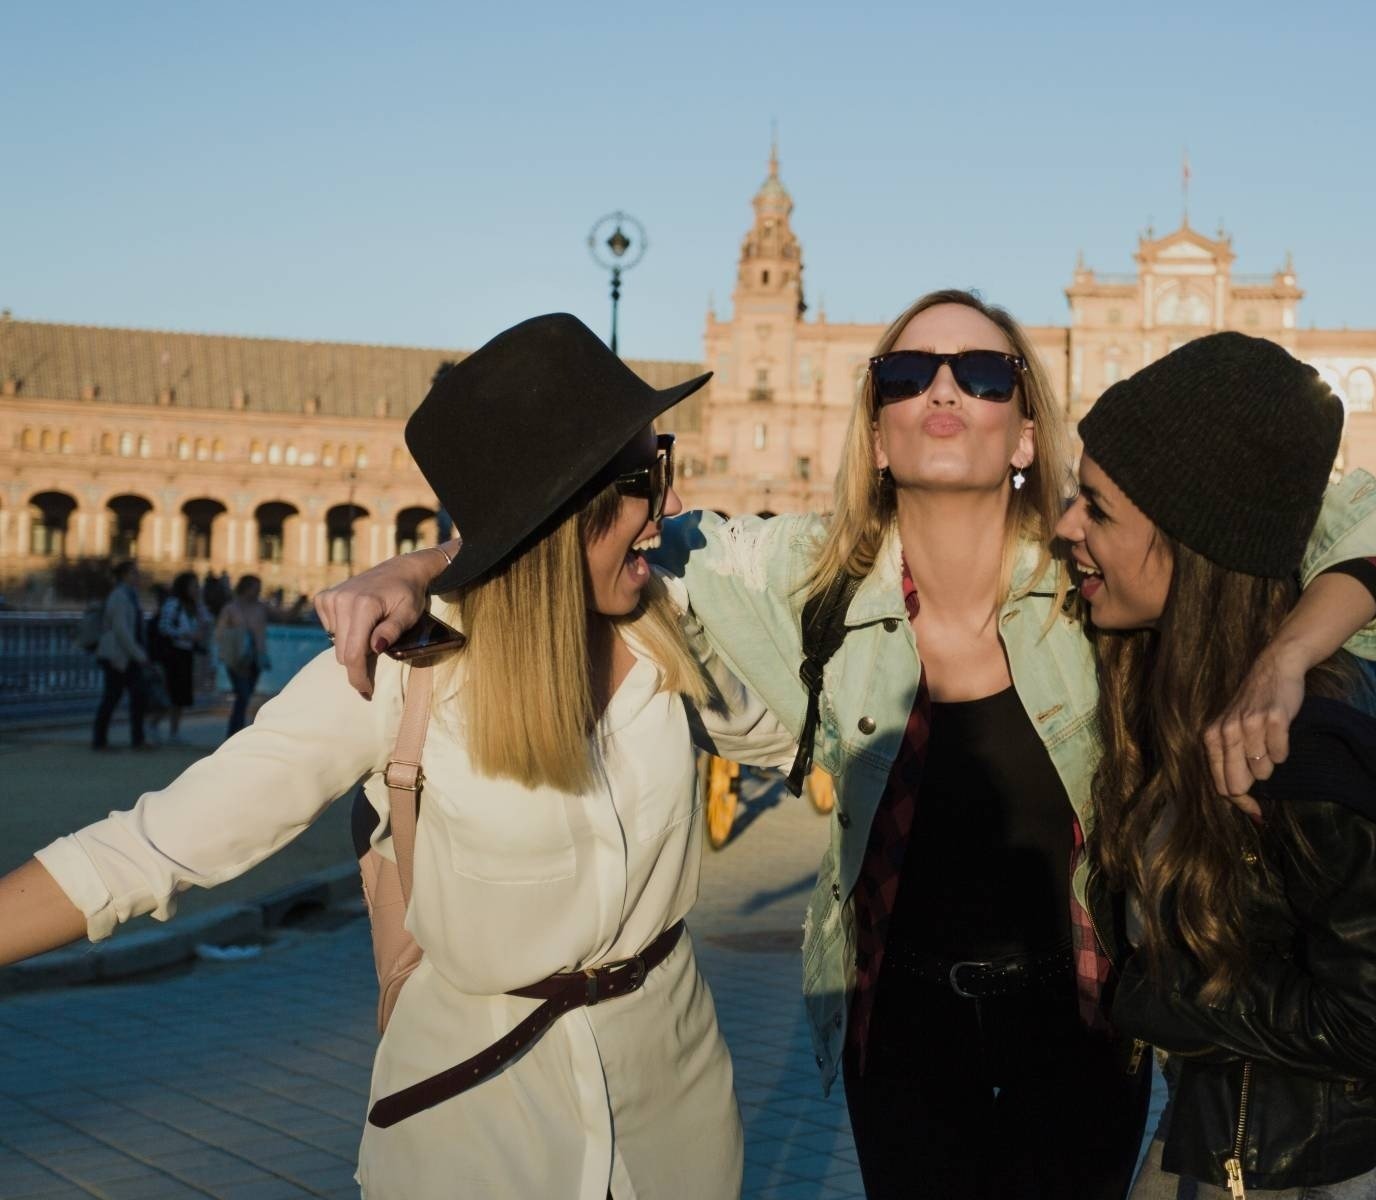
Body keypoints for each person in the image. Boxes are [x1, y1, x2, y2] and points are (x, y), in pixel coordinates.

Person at [318, 290, 1376, 1200]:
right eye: (907, 376)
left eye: (982, 373)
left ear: (1027, 427)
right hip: (897, 1029)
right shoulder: (799, 574)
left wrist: (1289, 653)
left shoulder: (1096, 570)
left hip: (1092, 1023)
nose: (943, 389)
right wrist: (427, 566)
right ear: (876, 424)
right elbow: (565, 520)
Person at [0, 314, 795, 1199]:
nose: (674, 502)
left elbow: (805, 724)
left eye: (666, 461)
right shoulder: (398, 669)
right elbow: (154, 847)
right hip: (474, 1114)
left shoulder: (669, 630)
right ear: (567, 505)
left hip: (676, 1109)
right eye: (651, 477)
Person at [1056, 332, 1376, 1200]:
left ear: (1193, 543)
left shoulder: (1298, 742)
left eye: (1095, 508)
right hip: (1224, 1144)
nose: (1066, 526)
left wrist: (1157, 1000)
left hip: (1314, 1174)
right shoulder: (1169, 674)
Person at [90, 560, 152, 752]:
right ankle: (101, 740)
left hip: (127, 656)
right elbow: (121, 629)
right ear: (125, 575)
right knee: (113, 697)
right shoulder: (119, 596)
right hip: (118, 656)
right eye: (134, 573)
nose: (138, 577)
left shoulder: (129, 595)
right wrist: (139, 654)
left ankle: (136, 738)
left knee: (134, 696)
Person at [213, 574, 272, 737]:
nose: (258, 591)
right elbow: (220, 634)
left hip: (255, 657)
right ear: (246, 588)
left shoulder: (261, 607)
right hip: (236, 658)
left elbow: (285, 616)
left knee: (244, 695)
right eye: (255, 588)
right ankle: (234, 733)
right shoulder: (231, 608)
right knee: (243, 695)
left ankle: (235, 732)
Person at [155, 572, 208, 744]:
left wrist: (199, 603)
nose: (197, 589)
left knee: (182, 694)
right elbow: (164, 627)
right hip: (173, 653)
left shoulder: (195, 606)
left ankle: (174, 730)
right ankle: (156, 724)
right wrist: (183, 634)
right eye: (194, 585)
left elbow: (206, 621)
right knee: (171, 692)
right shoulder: (173, 604)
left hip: (186, 653)